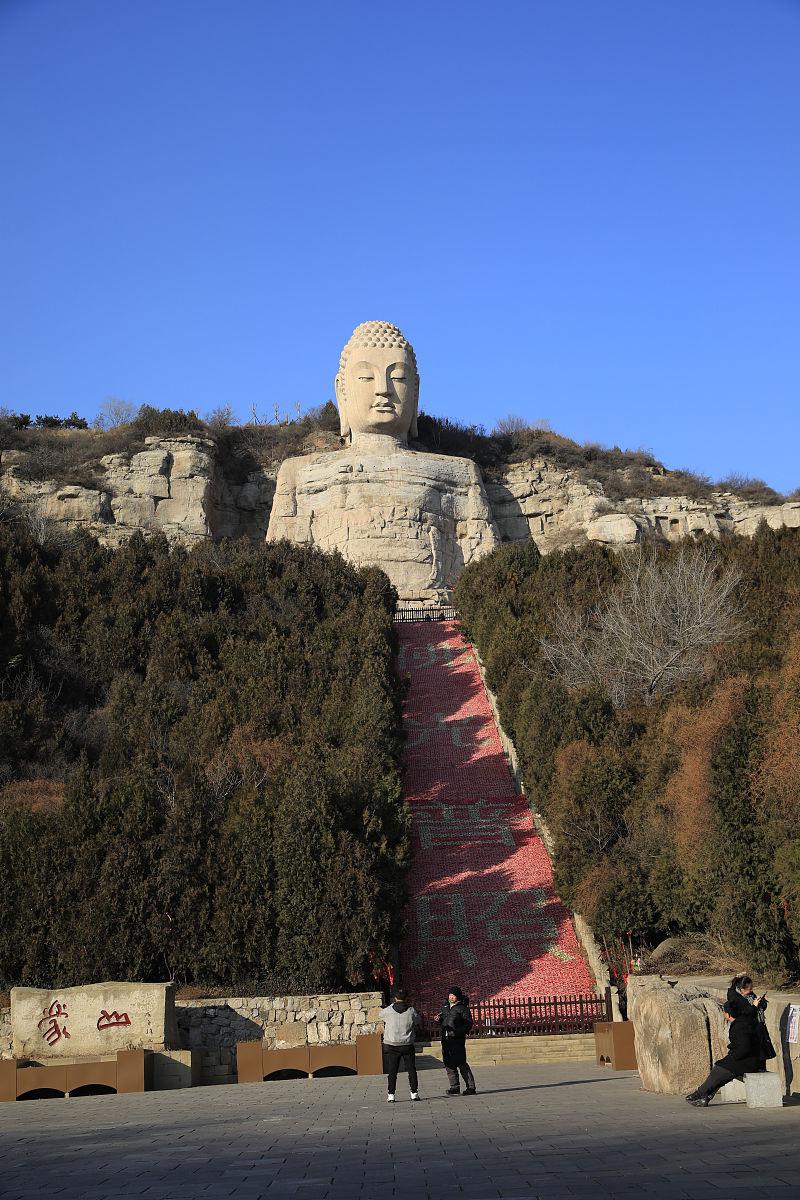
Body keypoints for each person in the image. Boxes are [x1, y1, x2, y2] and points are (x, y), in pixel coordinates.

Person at [686, 976, 772, 1107]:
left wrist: (733, 1056)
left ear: (729, 1014)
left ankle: (700, 1093)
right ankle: (705, 1095)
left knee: (720, 1069)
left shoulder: (740, 1025)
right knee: (722, 1070)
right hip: (747, 1057)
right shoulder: (741, 1019)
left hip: (747, 1060)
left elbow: (744, 1047)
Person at [380, 988, 421, 1103]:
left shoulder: (388, 1010)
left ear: (395, 998)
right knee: (411, 1070)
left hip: (392, 1044)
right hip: (407, 1044)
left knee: (392, 1071)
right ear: (406, 998)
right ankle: (414, 1093)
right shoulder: (411, 1010)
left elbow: (380, 1015)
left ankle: (391, 1094)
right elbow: (418, 1020)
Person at [438, 986, 477, 1096]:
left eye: (453, 995)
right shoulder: (445, 1007)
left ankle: (471, 1087)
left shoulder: (463, 1008)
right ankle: (454, 1087)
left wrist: (457, 1032)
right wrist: (439, 1020)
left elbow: (468, 1024)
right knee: (449, 1064)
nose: (451, 997)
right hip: (445, 1039)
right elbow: (444, 1021)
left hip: (457, 1040)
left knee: (461, 1063)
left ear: (458, 996)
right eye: (450, 995)